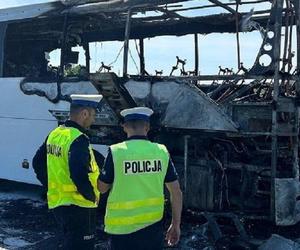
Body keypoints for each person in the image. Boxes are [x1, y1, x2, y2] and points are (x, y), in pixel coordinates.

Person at [98, 107, 183, 250]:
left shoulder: (116, 152)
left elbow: (102, 188)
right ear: (147, 127)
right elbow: (176, 191)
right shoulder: (161, 151)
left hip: (121, 231)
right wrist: (175, 225)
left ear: (125, 127)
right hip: (152, 228)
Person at [32, 94, 103, 250]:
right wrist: (91, 196)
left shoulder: (55, 133)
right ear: (84, 114)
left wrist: (50, 185)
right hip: (79, 205)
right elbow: (78, 173)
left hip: (59, 204)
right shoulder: (78, 139)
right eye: (93, 114)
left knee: (69, 243)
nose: (94, 119)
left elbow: (37, 162)